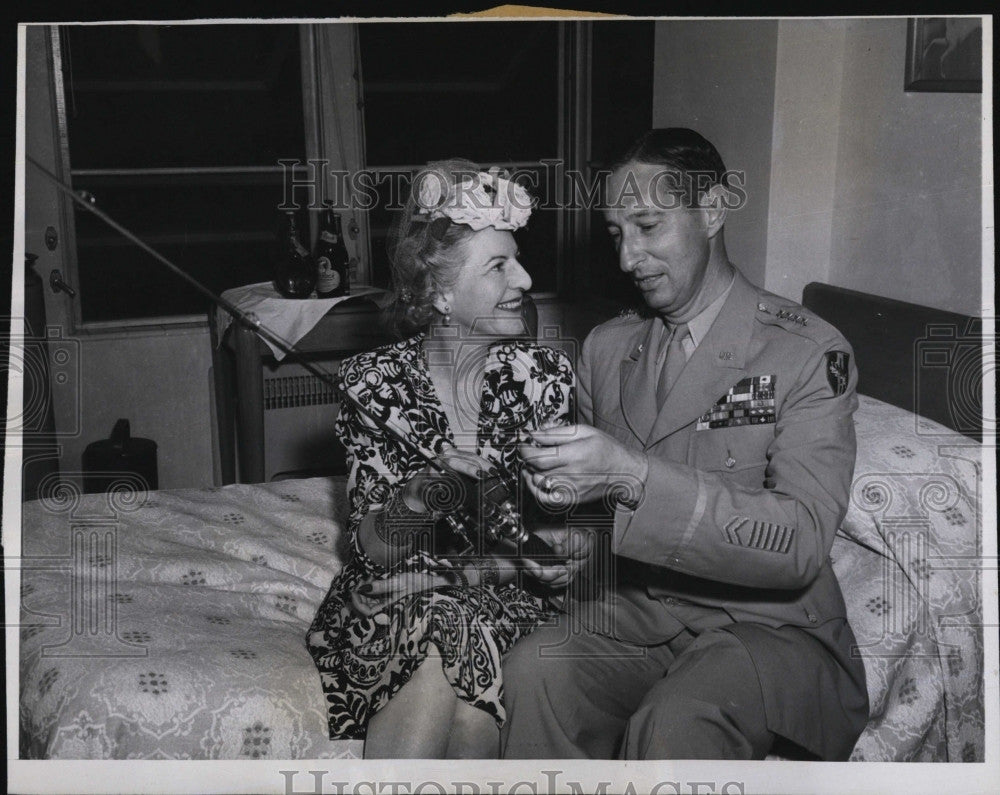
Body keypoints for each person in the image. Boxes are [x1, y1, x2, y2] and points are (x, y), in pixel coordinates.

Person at [502, 128, 869, 760]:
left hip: (767, 630)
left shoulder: (806, 351)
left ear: (714, 210)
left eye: (648, 226)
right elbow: (598, 515)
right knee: (533, 671)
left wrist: (636, 476)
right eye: (617, 233)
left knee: (675, 721)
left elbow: (803, 540)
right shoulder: (608, 349)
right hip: (641, 616)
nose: (627, 259)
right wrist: (569, 543)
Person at [306, 160, 575, 759]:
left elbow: (549, 540)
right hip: (391, 598)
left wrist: (553, 554)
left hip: (498, 598)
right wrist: (420, 495)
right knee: (442, 639)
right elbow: (372, 551)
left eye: (518, 259)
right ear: (441, 293)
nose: (526, 279)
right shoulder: (372, 384)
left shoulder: (545, 380)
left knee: (444, 626)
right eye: (500, 265)